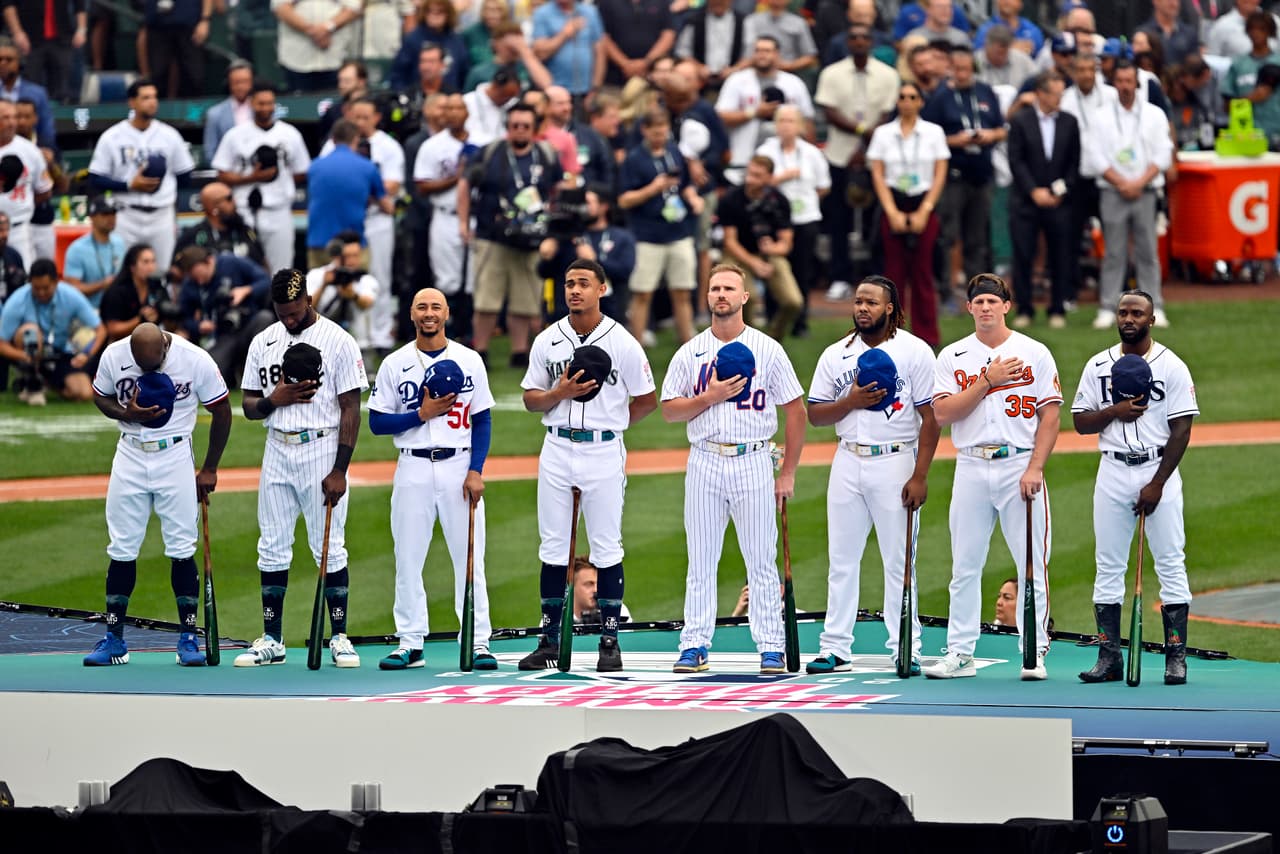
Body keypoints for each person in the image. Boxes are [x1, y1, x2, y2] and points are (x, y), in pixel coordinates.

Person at [661, 263, 806, 675]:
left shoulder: (768, 349)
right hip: (704, 459)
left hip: (754, 459)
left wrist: (788, 472)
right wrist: (708, 397)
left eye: (729, 288)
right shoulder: (690, 352)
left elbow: (796, 411)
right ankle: (694, 644)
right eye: (715, 288)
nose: (721, 294)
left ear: (745, 297)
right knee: (701, 558)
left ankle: (771, 646)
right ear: (707, 297)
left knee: (760, 559)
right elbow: (670, 410)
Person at [516, 258, 657, 672]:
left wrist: (613, 424)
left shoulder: (623, 342)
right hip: (557, 447)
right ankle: (549, 640)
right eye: (569, 283)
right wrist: (558, 393)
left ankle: (609, 641)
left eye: (583, 283)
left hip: (603, 451)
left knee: (607, 545)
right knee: (553, 547)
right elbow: (530, 399)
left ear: (601, 289)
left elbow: (647, 398)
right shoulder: (547, 340)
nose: (575, 290)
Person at [924, 273, 1061, 681]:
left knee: (1031, 563)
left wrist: (1035, 467)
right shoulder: (953, 356)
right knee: (965, 564)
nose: (985, 307)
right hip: (971, 464)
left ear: (1006, 306)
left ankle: (1033, 652)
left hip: (1018, 463)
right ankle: (960, 653)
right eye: (979, 301)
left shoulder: (1034, 352)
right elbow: (942, 413)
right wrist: (987, 381)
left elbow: (1050, 416)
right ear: (969, 308)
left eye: (992, 301)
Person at [805, 275, 940, 674]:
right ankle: (835, 647)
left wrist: (920, 475)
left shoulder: (915, 351)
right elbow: (815, 414)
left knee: (898, 561)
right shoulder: (836, 354)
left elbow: (931, 418)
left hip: (895, 459)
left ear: (890, 309)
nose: (862, 308)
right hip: (847, 459)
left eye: (871, 302)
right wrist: (850, 401)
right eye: (858, 302)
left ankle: (905, 646)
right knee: (841, 559)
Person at [236, 269, 368, 667]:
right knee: (271, 546)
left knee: (329, 546)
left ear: (309, 300)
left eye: (295, 312)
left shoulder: (338, 341)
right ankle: (272, 639)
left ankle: (339, 636)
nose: (289, 320)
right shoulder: (264, 341)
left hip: (321, 446)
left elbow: (351, 407)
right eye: (282, 313)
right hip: (277, 447)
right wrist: (274, 401)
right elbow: (248, 405)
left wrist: (340, 469)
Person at [82, 322, 232, 667]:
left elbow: (222, 410)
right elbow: (100, 395)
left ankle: (188, 638)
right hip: (130, 453)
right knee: (122, 547)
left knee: (181, 548)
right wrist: (125, 414)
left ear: (165, 347)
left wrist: (210, 468)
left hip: (175, 454)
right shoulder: (114, 354)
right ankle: (114, 639)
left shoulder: (195, 359)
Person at [1073, 290, 1198, 686]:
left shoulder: (1172, 366)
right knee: (1108, 565)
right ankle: (1109, 657)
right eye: (1123, 312)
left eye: (1137, 313)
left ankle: (1175, 658)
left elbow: (1182, 430)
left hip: (1158, 469)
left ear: (1151, 319)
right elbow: (1080, 422)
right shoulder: (1098, 365)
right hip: (1112, 470)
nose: (1129, 319)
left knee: (1171, 562)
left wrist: (1157, 483)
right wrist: (1114, 411)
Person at [369, 287, 498, 670]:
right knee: (408, 557)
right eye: (422, 307)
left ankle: (477, 642)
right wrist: (420, 415)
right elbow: (377, 422)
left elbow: (482, 419)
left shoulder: (470, 359)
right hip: (413, 466)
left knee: (470, 557)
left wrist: (476, 470)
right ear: (411, 314)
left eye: (435, 307)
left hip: (459, 464)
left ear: (446, 313)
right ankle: (410, 642)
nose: (429, 313)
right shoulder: (395, 363)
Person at [457, 102, 561, 368]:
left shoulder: (546, 154)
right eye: (515, 125)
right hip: (492, 235)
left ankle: (520, 351)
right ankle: (480, 350)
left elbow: (558, 189)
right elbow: (465, 184)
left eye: (526, 126)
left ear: (534, 128)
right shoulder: (490, 153)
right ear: (507, 128)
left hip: (532, 236)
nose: (520, 130)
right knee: (486, 298)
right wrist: (463, 223)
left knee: (526, 298)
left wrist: (554, 228)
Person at [1086, 61, 1174, 331]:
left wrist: (1139, 182)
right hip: (1113, 191)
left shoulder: (1154, 114)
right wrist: (1122, 182)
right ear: (1114, 84)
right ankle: (1108, 306)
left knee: (1148, 251)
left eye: (1129, 81)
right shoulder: (1101, 116)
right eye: (1120, 81)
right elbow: (1095, 155)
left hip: (1145, 191)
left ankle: (1154, 306)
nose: (1125, 86)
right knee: (1114, 252)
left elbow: (1163, 153)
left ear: (1137, 83)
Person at [815, 23, 899, 301]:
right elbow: (829, 112)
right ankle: (840, 277)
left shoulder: (888, 74)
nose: (859, 41)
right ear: (847, 42)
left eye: (864, 37)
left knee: (876, 220)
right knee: (839, 220)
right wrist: (862, 132)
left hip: (877, 155)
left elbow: (888, 113)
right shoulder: (832, 73)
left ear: (872, 41)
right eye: (854, 37)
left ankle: (876, 278)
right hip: (840, 154)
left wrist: (866, 145)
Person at [922, 45, 1006, 315]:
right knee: (947, 236)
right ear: (950, 69)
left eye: (966, 69)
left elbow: (1001, 128)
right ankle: (945, 293)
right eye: (957, 69)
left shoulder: (985, 92)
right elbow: (928, 136)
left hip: (981, 174)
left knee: (977, 239)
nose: (962, 74)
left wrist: (991, 135)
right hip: (953, 175)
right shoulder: (941, 98)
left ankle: (979, 295)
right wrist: (954, 141)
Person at [319, 96, 405, 355]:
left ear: (377, 117)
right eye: (356, 116)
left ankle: (381, 336)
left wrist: (357, 187)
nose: (360, 122)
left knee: (379, 277)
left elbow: (393, 185)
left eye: (365, 117)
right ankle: (345, 336)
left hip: (376, 220)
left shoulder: (388, 146)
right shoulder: (334, 145)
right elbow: (326, 177)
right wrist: (366, 188)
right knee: (339, 277)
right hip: (345, 219)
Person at [867, 81, 949, 348]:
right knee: (893, 274)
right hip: (893, 201)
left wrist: (925, 209)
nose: (907, 102)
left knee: (923, 272)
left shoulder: (933, 132)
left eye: (912, 97)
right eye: (902, 97)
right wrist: (891, 211)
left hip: (923, 201)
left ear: (921, 102)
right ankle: (892, 333)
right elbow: (878, 173)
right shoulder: (883, 133)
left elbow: (940, 173)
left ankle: (927, 336)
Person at [618, 108, 705, 347]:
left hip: (678, 232)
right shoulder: (634, 159)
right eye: (655, 133)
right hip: (648, 236)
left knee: (682, 291)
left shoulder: (674, 152)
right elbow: (624, 200)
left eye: (663, 132)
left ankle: (688, 347)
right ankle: (634, 350)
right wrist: (653, 189)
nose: (660, 137)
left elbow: (685, 184)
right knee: (643, 293)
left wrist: (693, 198)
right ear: (645, 131)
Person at [88, 79, 196, 271]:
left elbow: (185, 175)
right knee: (123, 270)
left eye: (154, 97)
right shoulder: (112, 137)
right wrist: (129, 185)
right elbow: (95, 178)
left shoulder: (170, 135)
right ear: (132, 102)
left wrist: (161, 188)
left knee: (163, 271)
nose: (152, 102)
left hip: (161, 214)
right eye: (145, 98)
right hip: (126, 214)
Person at [212, 81, 311, 275]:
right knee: (244, 270)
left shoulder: (290, 134)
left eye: (269, 103)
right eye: (261, 103)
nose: (266, 108)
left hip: (279, 210)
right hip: (244, 211)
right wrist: (252, 177)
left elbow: (301, 170)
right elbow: (222, 173)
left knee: (282, 272)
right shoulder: (235, 135)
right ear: (251, 103)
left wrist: (280, 180)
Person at [1007, 69, 1080, 329]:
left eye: (1061, 94)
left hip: (1059, 202)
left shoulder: (1069, 122)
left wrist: (1060, 191)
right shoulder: (1021, 121)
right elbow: (1016, 160)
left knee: (1060, 254)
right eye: (1055, 94)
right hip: (1026, 201)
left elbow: (1074, 162)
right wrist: (1033, 191)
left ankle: (1057, 308)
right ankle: (1024, 308)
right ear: (1040, 93)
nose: (1059, 99)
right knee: (1023, 255)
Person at [756, 104, 829, 337]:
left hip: (805, 217)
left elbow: (823, 186)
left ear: (799, 125)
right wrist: (782, 178)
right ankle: (772, 318)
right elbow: (757, 181)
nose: (786, 126)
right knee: (774, 269)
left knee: (802, 271)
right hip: (775, 220)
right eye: (781, 120)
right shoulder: (766, 151)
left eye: (790, 121)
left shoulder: (811, 153)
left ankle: (801, 322)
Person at [717, 154, 803, 341]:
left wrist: (774, 249)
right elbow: (730, 241)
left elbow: (786, 243)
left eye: (757, 176)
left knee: (793, 301)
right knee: (748, 297)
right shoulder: (731, 199)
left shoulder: (779, 201)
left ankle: (773, 339)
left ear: (769, 178)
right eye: (749, 173)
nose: (750, 179)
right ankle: (747, 339)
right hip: (738, 254)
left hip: (768, 254)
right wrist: (754, 263)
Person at [413, 93, 475, 341]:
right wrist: (456, 178)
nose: (453, 113)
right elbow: (422, 185)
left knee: (473, 279)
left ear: (467, 113)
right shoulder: (433, 145)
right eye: (448, 109)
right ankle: (447, 331)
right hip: (445, 214)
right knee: (447, 278)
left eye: (458, 108)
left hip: (476, 216)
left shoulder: (481, 141)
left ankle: (468, 333)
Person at [0, 258, 105, 405]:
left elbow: (100, 330)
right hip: (28, 353)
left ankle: (46, 382)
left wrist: (86, 354)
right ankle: (29, 377)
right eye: (36, 288)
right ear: (30, 282)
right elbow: (2, 343)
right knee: (30, 332)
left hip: (60, 352)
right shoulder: (18, 300)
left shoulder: (71, 295)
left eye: (46, 288)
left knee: (84, 393)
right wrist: (23, 356)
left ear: (56, 282)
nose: (41, 292)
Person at [716, 36, 815, 187]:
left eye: (767, 51)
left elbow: (807, 122)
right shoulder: (737, 81)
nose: (762, 55)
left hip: (786, 166)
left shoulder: (793, 83)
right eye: (758, 50)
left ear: (777, 54)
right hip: (742, 160)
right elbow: (720, 117)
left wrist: (808, 156)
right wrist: (754, 112)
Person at [176, 246, 273, 383]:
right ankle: (233, 374)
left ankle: (261, 373)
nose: (199, 281)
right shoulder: (190, 284)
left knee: (265, 318)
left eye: (198, 274)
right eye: (193, 277)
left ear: (209, 261)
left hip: (248, 324)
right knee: (211, 374)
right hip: (222, 335)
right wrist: (198, 326)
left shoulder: (230, 263)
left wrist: (246, 290)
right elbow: (184, 316)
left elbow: (265, 280)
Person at [306, 119, 392, 269]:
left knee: (318, 283)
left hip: (319, 243)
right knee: (358, 283)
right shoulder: (368, 167)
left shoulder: (314, 166)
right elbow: (387, 207)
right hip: (352, 249)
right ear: (356, 139)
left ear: (333, 139)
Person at [0, 99, 51, 268]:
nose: (12, 123)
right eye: (5, 117)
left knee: (24, 275)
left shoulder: (30, 150)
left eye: (14, 117)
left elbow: (44, 190)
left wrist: (21, 206)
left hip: (18, 228)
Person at [306, 232, 379, 347]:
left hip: (358, 343)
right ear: (335, 255)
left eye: (356, 255)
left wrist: (354, 295)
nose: (352, 261)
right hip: (320, 341)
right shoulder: (317, 275)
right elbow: (305, 308)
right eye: (347, 256)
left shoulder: (366, 279)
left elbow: (367, 303)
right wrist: (324, 285)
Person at [270, 0, 361, 92]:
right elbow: (280, 7)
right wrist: (311, 31)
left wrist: (328, 28)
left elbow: (354, 7)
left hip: (336, 56)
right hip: (296, 58)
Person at [174, 182, 268, 270]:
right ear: (212, 208)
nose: (234, 202)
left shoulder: (245, 231)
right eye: (229, 199)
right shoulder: (193, 236)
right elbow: (176, 270)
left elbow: (263, 265)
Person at [0, 5, 83, 104]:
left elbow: (79, 4)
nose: (3, 63)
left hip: (62, 38)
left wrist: (82, 29)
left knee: (62, 90)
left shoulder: (37, 93)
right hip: (31, 37)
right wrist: (17, 32)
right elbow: (8, 3)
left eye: (8, 60)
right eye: (0, 59)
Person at [1222, 12, 1280, 148]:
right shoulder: (1238, 64)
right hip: (1246, 138)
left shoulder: (1278, 62)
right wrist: (1249, 99)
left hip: (1276, 133)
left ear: (1270, 32)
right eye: (1252, 29)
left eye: (1262, 29)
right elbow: (1226, 107)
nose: (1256, 33)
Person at [531, 0, 606, 98]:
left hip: (586, 90)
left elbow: (600, 52)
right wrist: (564, 34)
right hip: (555, 91)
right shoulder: (542, 13)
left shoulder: (590, 12)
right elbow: (540, 53)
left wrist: (596, 87)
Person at [98, 244, 171, 342]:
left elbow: (168, 323)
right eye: (145, 262)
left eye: (153, 261)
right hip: (121, 343)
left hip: (151, 343)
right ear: (132, 267)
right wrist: (140, 319)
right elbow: (113, 329)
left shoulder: (158, 288)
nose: (151, 267)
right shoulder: (117, 292)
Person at [63, 197, 126, 309]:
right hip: (88, 309)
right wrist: (101, 285)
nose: (111, 218)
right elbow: (72, 289)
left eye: (113, 213)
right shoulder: (77, 249)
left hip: (118, 309)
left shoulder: (119, 243)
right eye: (105, 214)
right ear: (92, 217)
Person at [598, 0, 675, 87]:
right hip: (613, 78)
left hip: (652, 78)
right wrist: (625, 64)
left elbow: (668, 34)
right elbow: (602, 36)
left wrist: (647, 62)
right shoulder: (607, 2)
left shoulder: (662, 2)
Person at [674, 0, 749, 89]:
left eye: (721, 1)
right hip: (700, 80)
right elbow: (682, 51)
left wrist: (734, 69)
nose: (717, 2)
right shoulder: (693, 20)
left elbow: (749, 53)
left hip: (734, 79)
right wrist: (699, 67)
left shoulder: (744, 21)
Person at [742, 0, 819, 74]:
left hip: (788, 72)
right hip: (754, 71)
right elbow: (747, 53)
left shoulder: (799, 23)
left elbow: (810, 56)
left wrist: (789, 66)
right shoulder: (752, 21)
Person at [203, 59, 254, 164]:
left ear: (251, 82)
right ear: (229, 83)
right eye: (236, 82)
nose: (241, 86)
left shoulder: (262, 109)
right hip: (228, 170)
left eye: (245, 81)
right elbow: (210, 153)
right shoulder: (215, 114)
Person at [570, 556, 633, 625]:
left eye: (599, 584)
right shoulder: (562, 616)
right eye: (589, 584)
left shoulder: (616, 609)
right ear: (572, 587)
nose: (596, 590)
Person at [977, 25, 1037, 90]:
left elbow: (1038, 79)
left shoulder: (1021, 59)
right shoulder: (975, 61)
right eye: (999, 52)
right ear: (987, 46)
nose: (1002, 56)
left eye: (1006, 51)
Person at [974, 0, 1043, 55]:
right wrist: (1011, 49)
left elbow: (1041, 57)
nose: (1007, 1)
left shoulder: (1032, 30)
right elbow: (978, 57)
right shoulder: (986, 30)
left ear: (1020, 3)